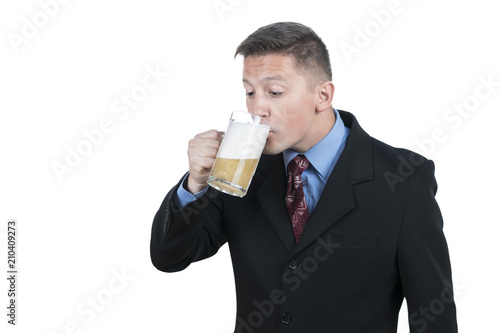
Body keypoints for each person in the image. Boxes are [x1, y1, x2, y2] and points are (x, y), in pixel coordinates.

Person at [150, 22, 458, 332]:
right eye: (250, 92)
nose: (258, 108)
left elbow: (433, 315)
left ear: (322, 96)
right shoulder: (239, 167)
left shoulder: (403, 178)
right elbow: (169, 257)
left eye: (275, 92)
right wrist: (195, 184)